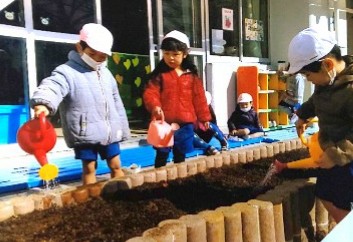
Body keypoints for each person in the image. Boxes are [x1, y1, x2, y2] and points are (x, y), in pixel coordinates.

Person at [30, 23, 130, 185]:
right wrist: (43, 103)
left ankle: (121, 193)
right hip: (85, 132)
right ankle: (90, 201)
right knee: (89, 168)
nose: (97, 59)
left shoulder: (106, 73)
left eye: (102, 56)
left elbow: (116, 102)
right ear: (79, 47)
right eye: (92, 54)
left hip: (109, 132)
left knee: (116, 165)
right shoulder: (67, 72)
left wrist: (121, 128)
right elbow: (53, 86)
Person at [288, 26, 353, 223]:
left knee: (336, 196)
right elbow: (316, 101)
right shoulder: (326, 83)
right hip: (334, 151)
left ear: (328, 64)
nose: (309, 80)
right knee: (326, 195)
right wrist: (302, 115)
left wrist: (336, 155)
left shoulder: (350, 91)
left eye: (308, 75)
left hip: (347, 155)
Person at [143, 30, 211, 168]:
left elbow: (200, 99)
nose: (171, 58)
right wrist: (155, 106)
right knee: (162, 153)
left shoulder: (191, 76)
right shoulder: (160, 75)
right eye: (167, 53)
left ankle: (177, 181)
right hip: (164, 123)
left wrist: (204, 118)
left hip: (185, 123)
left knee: (180, 153)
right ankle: (160, 181)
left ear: (185, 54)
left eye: (175, 54)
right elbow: (151, 93)